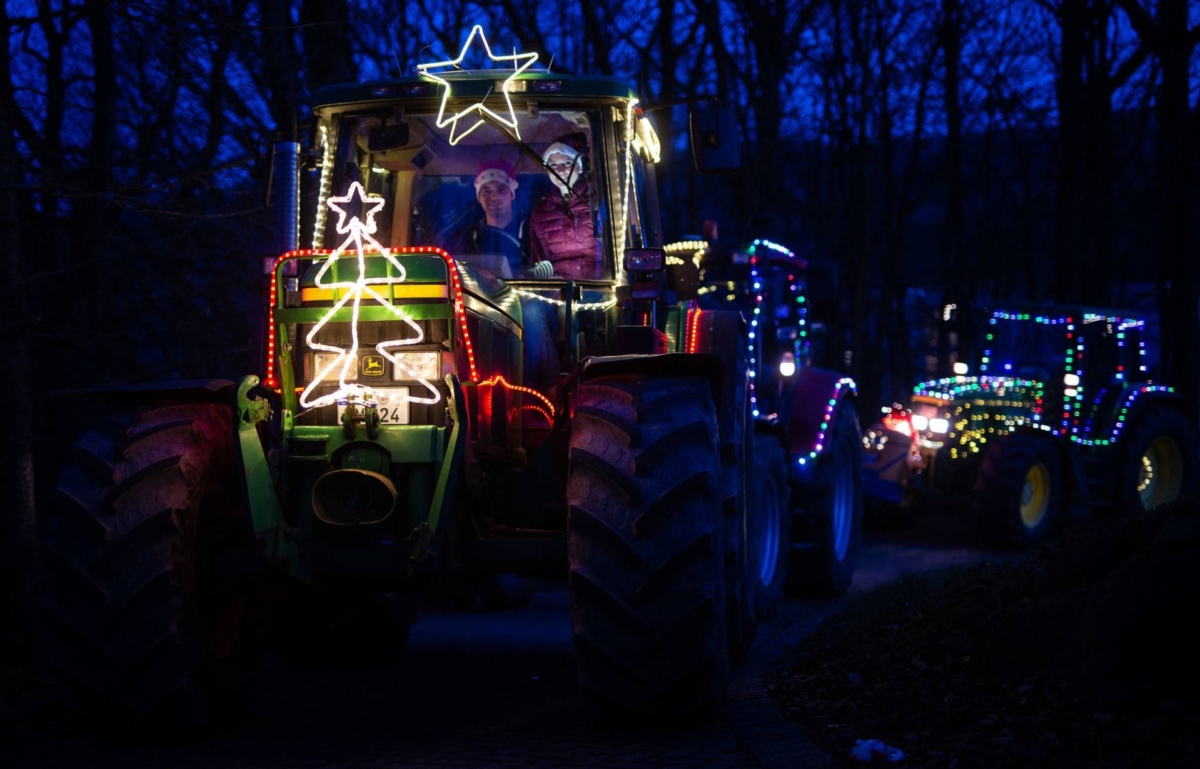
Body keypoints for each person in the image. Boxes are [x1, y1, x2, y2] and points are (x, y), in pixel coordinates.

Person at [529, 142, 602, 280]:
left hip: (600, 288)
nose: (560, 170)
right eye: (553, 165)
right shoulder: (540, 214)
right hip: (561, 293)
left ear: (580, 166)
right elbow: (540, 261)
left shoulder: (600, 203)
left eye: (567, 162)